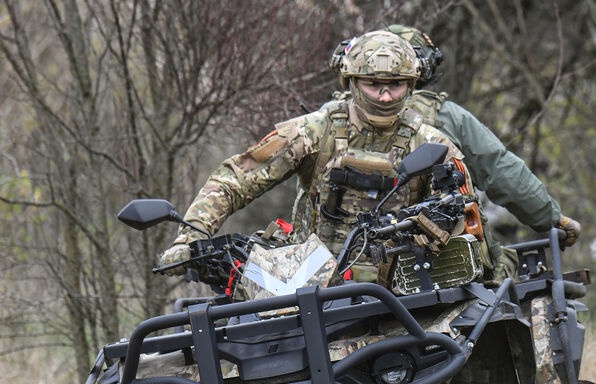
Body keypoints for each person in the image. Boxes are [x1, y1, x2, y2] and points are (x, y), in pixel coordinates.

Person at [158, 30, 477, 281]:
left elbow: (466, 219)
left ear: (410, 85)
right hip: (305, 282)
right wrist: (188, 238)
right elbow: (235, 180)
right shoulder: (314, 131)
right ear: (352, 81)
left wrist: (434, 226)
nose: (384, 95)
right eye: (373, 84)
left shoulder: (434, 145)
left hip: (399, 294)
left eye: (395, 85)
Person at [311, 24, 581, 246]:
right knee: (501, 267)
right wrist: (551, 218)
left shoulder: (332, 114)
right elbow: (500, 169)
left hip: (332, 254)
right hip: (425, 259)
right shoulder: (448, 116)